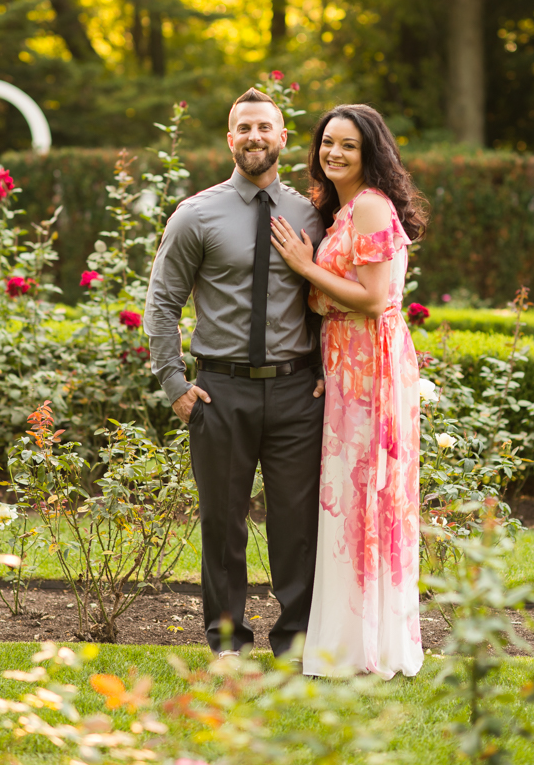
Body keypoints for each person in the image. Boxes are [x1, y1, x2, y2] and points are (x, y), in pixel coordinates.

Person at [144, 88, 326, 657]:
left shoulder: (312, 216)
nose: (254, 137)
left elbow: (334, 301)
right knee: (223, 525)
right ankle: (227, 645)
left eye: (264, 128)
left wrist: (327, 370)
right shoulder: (196, 215)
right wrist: (175, 384)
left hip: (298, 392)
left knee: (297, 527)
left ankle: (295, 644)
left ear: (282, 138)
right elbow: (162, 303)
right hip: (218, 391)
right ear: (230, 139)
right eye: (243, 128)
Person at [270, 104, 428, 679]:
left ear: (371, 153)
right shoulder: (341, 209)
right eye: (327, 143)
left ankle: (366, 645)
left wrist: (303, 266)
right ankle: (351, 640)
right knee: (351, 498)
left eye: (348, 146)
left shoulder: (368, 206)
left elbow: (372, 298)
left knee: (366, 498)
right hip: (346, 364)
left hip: (371, 369)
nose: (333, 153)